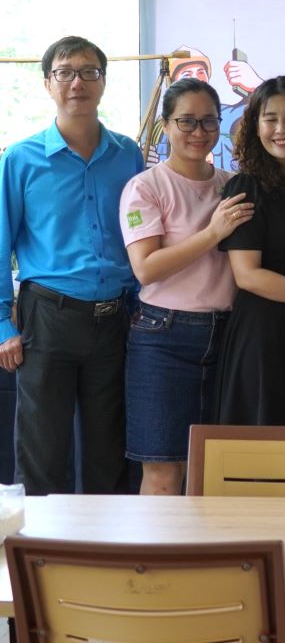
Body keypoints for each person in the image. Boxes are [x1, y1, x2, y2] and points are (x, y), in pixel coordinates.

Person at [0, 36, 143, 495]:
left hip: (115, 318)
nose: (77, 81)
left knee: (108, 453)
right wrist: (3, 323)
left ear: (103, 81)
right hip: (48, 318)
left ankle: (102, 559)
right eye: (65, 72)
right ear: (48, 84)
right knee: (43, 453)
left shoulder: (128, 155)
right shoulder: (20, 160)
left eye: (88, 71)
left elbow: (142, 237)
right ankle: (38, 559)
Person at [119, 78, 252, 495]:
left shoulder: (234, 184)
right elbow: (146, 269)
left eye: (209, 121)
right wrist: (212, 232)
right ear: (165, 126)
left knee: (220, 471)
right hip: (163, 338)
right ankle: (155, 561)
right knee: (163, 470)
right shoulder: (146, 187)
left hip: (230, 336)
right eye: (187, 122)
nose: (199, 132)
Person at [215, 76, 285, 425]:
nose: (281, 128)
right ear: (255, 126)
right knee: (267, 451)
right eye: (270, 118)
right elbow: (247, 275)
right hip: (266, 335)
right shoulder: (247, 187)